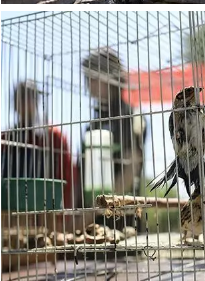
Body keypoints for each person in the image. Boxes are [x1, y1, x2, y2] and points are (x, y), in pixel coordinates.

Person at [80, 48, 146, 229]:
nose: (88, 84)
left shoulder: (131, 116)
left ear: (111, 77)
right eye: (87, 78)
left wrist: (98, 206)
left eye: (93, 77)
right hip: (93, 224)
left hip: (125, 221)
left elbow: (132, 168)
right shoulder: (93, 123)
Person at [1, 80, 75, 227]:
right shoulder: (6, 139)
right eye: (20, 98)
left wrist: (61, 219)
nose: (24, 103)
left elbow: (67, 178)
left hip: (48, 219)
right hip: (12, 219)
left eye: (29, 97)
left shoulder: (54, 136)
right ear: (14, 104)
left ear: (36, 101)